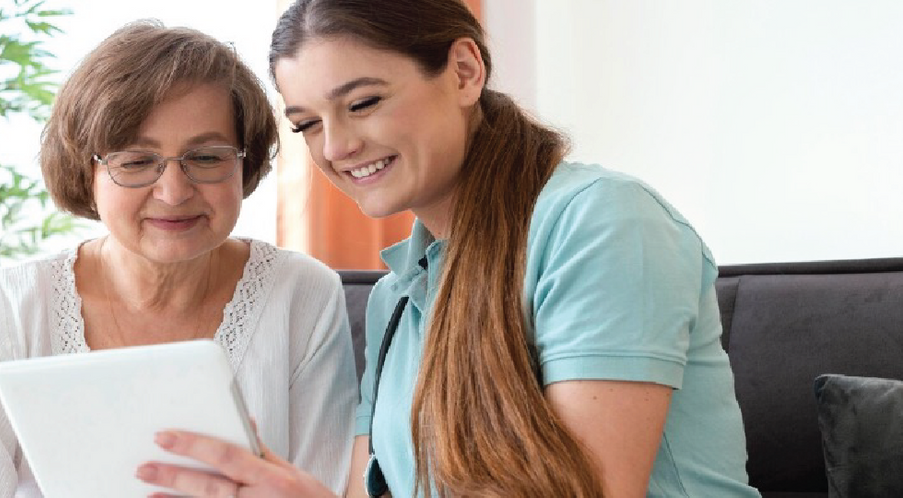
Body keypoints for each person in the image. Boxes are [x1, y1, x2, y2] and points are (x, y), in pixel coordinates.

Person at [135, 1, 760, 497]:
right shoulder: (395, 298)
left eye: (363, 103)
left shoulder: (601, 221)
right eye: (309, 124)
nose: (336, 147)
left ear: (465, 71)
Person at [0, 20, 357, 497]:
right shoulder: (5, 307)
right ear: (85, 172)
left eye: (207, 157)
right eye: (134, 161)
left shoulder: (303, 294)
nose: (173, 192)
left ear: (244, 162)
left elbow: (326, 485)